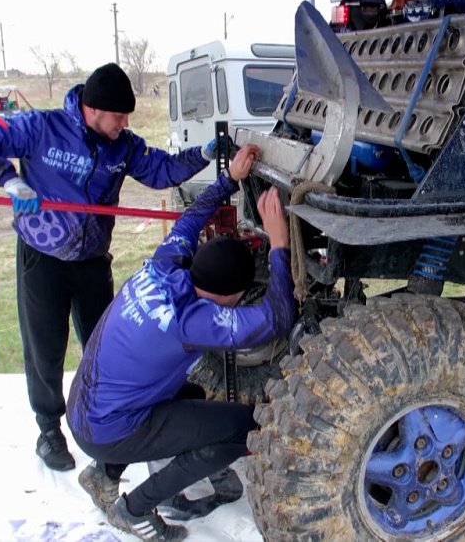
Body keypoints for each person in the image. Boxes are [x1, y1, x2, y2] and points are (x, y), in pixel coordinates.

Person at [0, 63, 229, 472]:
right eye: (119, 116)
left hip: (91, 261)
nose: (124, 124)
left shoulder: (123, 146)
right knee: (45, 348)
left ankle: (107, 422)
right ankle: (49, 431)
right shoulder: (41, 127)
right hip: (42, 259)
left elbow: (161, 171)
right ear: (93, 108)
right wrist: (10, 180)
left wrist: (202, 155)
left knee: (106, 346)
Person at [66, 143, 294, 541]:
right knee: (242, 430)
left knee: (190, 391)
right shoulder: (193, 322)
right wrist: (279, 245)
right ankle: (133, 509)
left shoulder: (164, 264)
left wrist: (231, 179)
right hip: (107, 430)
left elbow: (193, 216)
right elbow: (278, 318)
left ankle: (102, 474)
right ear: (233, 297)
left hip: (84, 410)